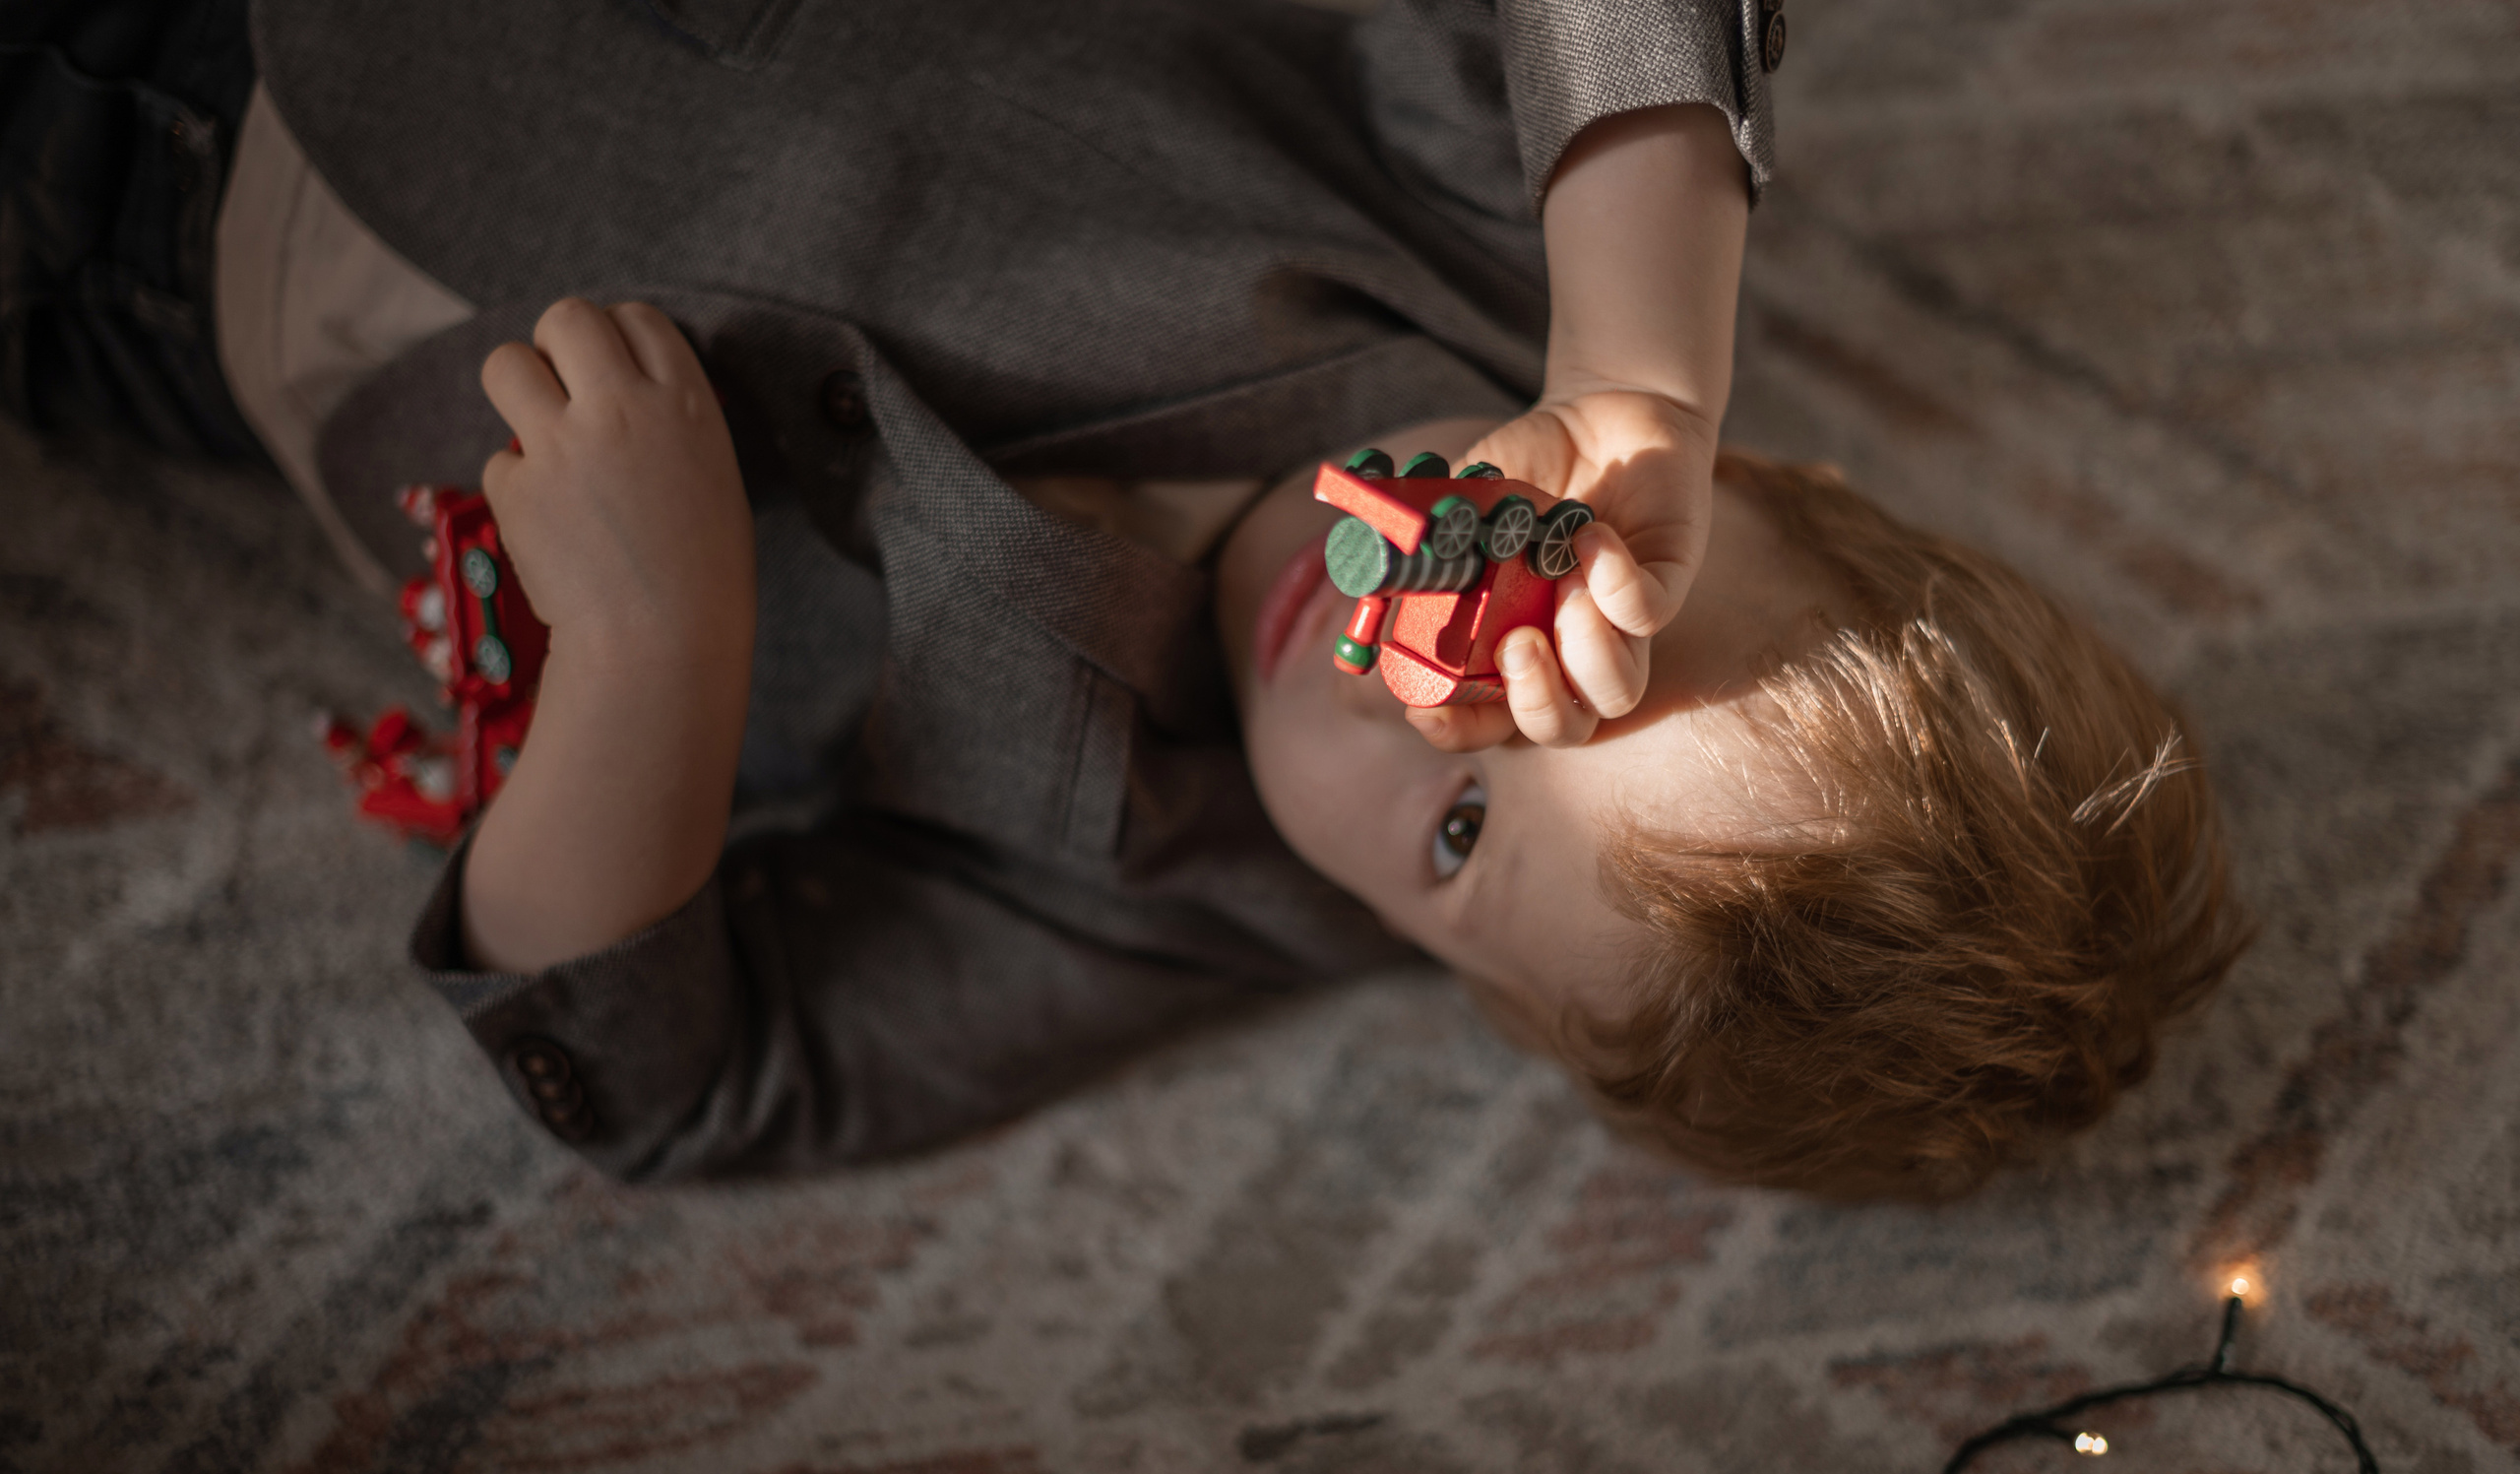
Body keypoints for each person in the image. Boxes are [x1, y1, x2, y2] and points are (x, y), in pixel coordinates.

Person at [44, 0, 2250, 1197]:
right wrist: (1632, 359)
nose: (1414, 701)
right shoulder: (1496, 250)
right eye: (1591, 647)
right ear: (1738, 482)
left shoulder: (1165, 878)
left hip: (157, 270)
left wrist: (650, 659)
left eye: (1463, 834)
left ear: (1426, 962)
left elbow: (668, 1084)